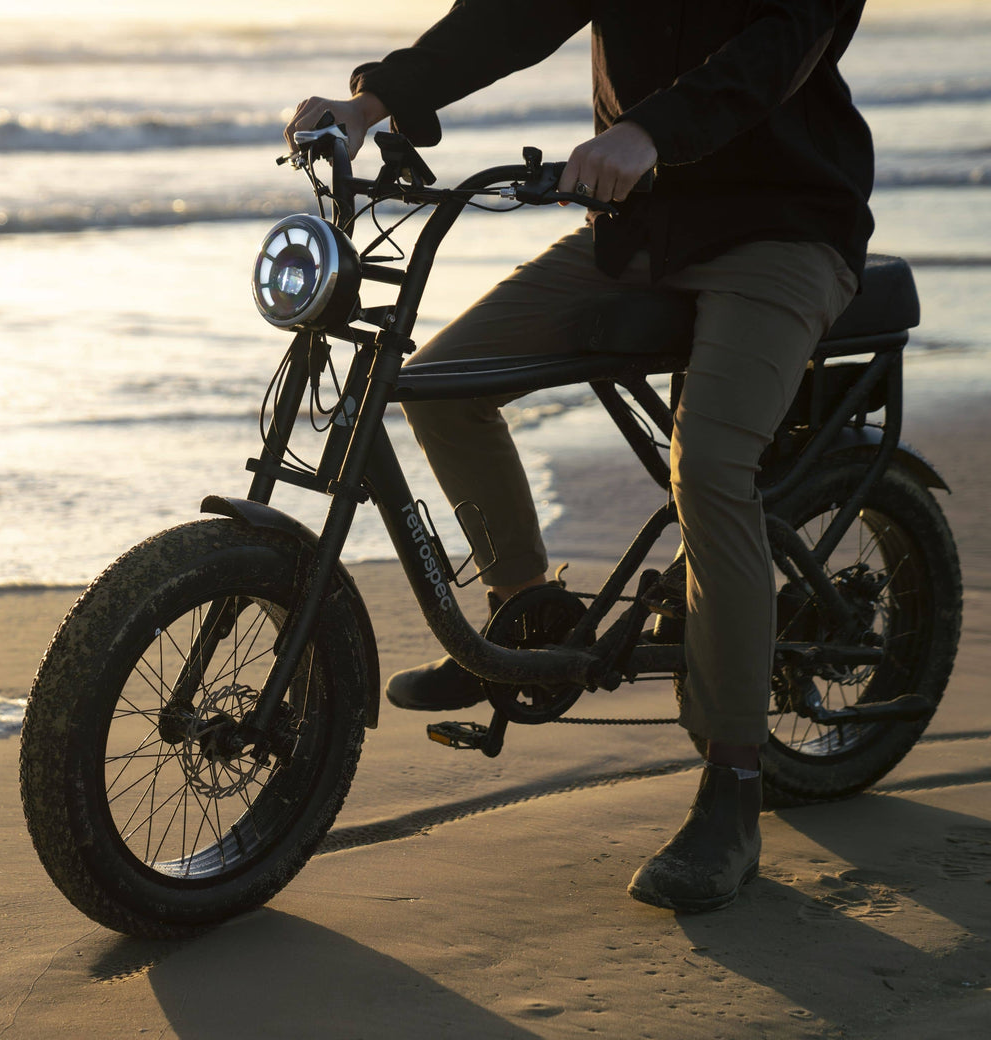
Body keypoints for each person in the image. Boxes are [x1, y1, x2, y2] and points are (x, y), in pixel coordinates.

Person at [285, 0, 872, 913]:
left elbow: (776, 52)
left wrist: (648, 132)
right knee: (443, 384)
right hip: (642, 230)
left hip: (783, 232)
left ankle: (733, 792)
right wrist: (377, 102)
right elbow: (513, 14)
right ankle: (524, 622)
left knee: (709, 468)